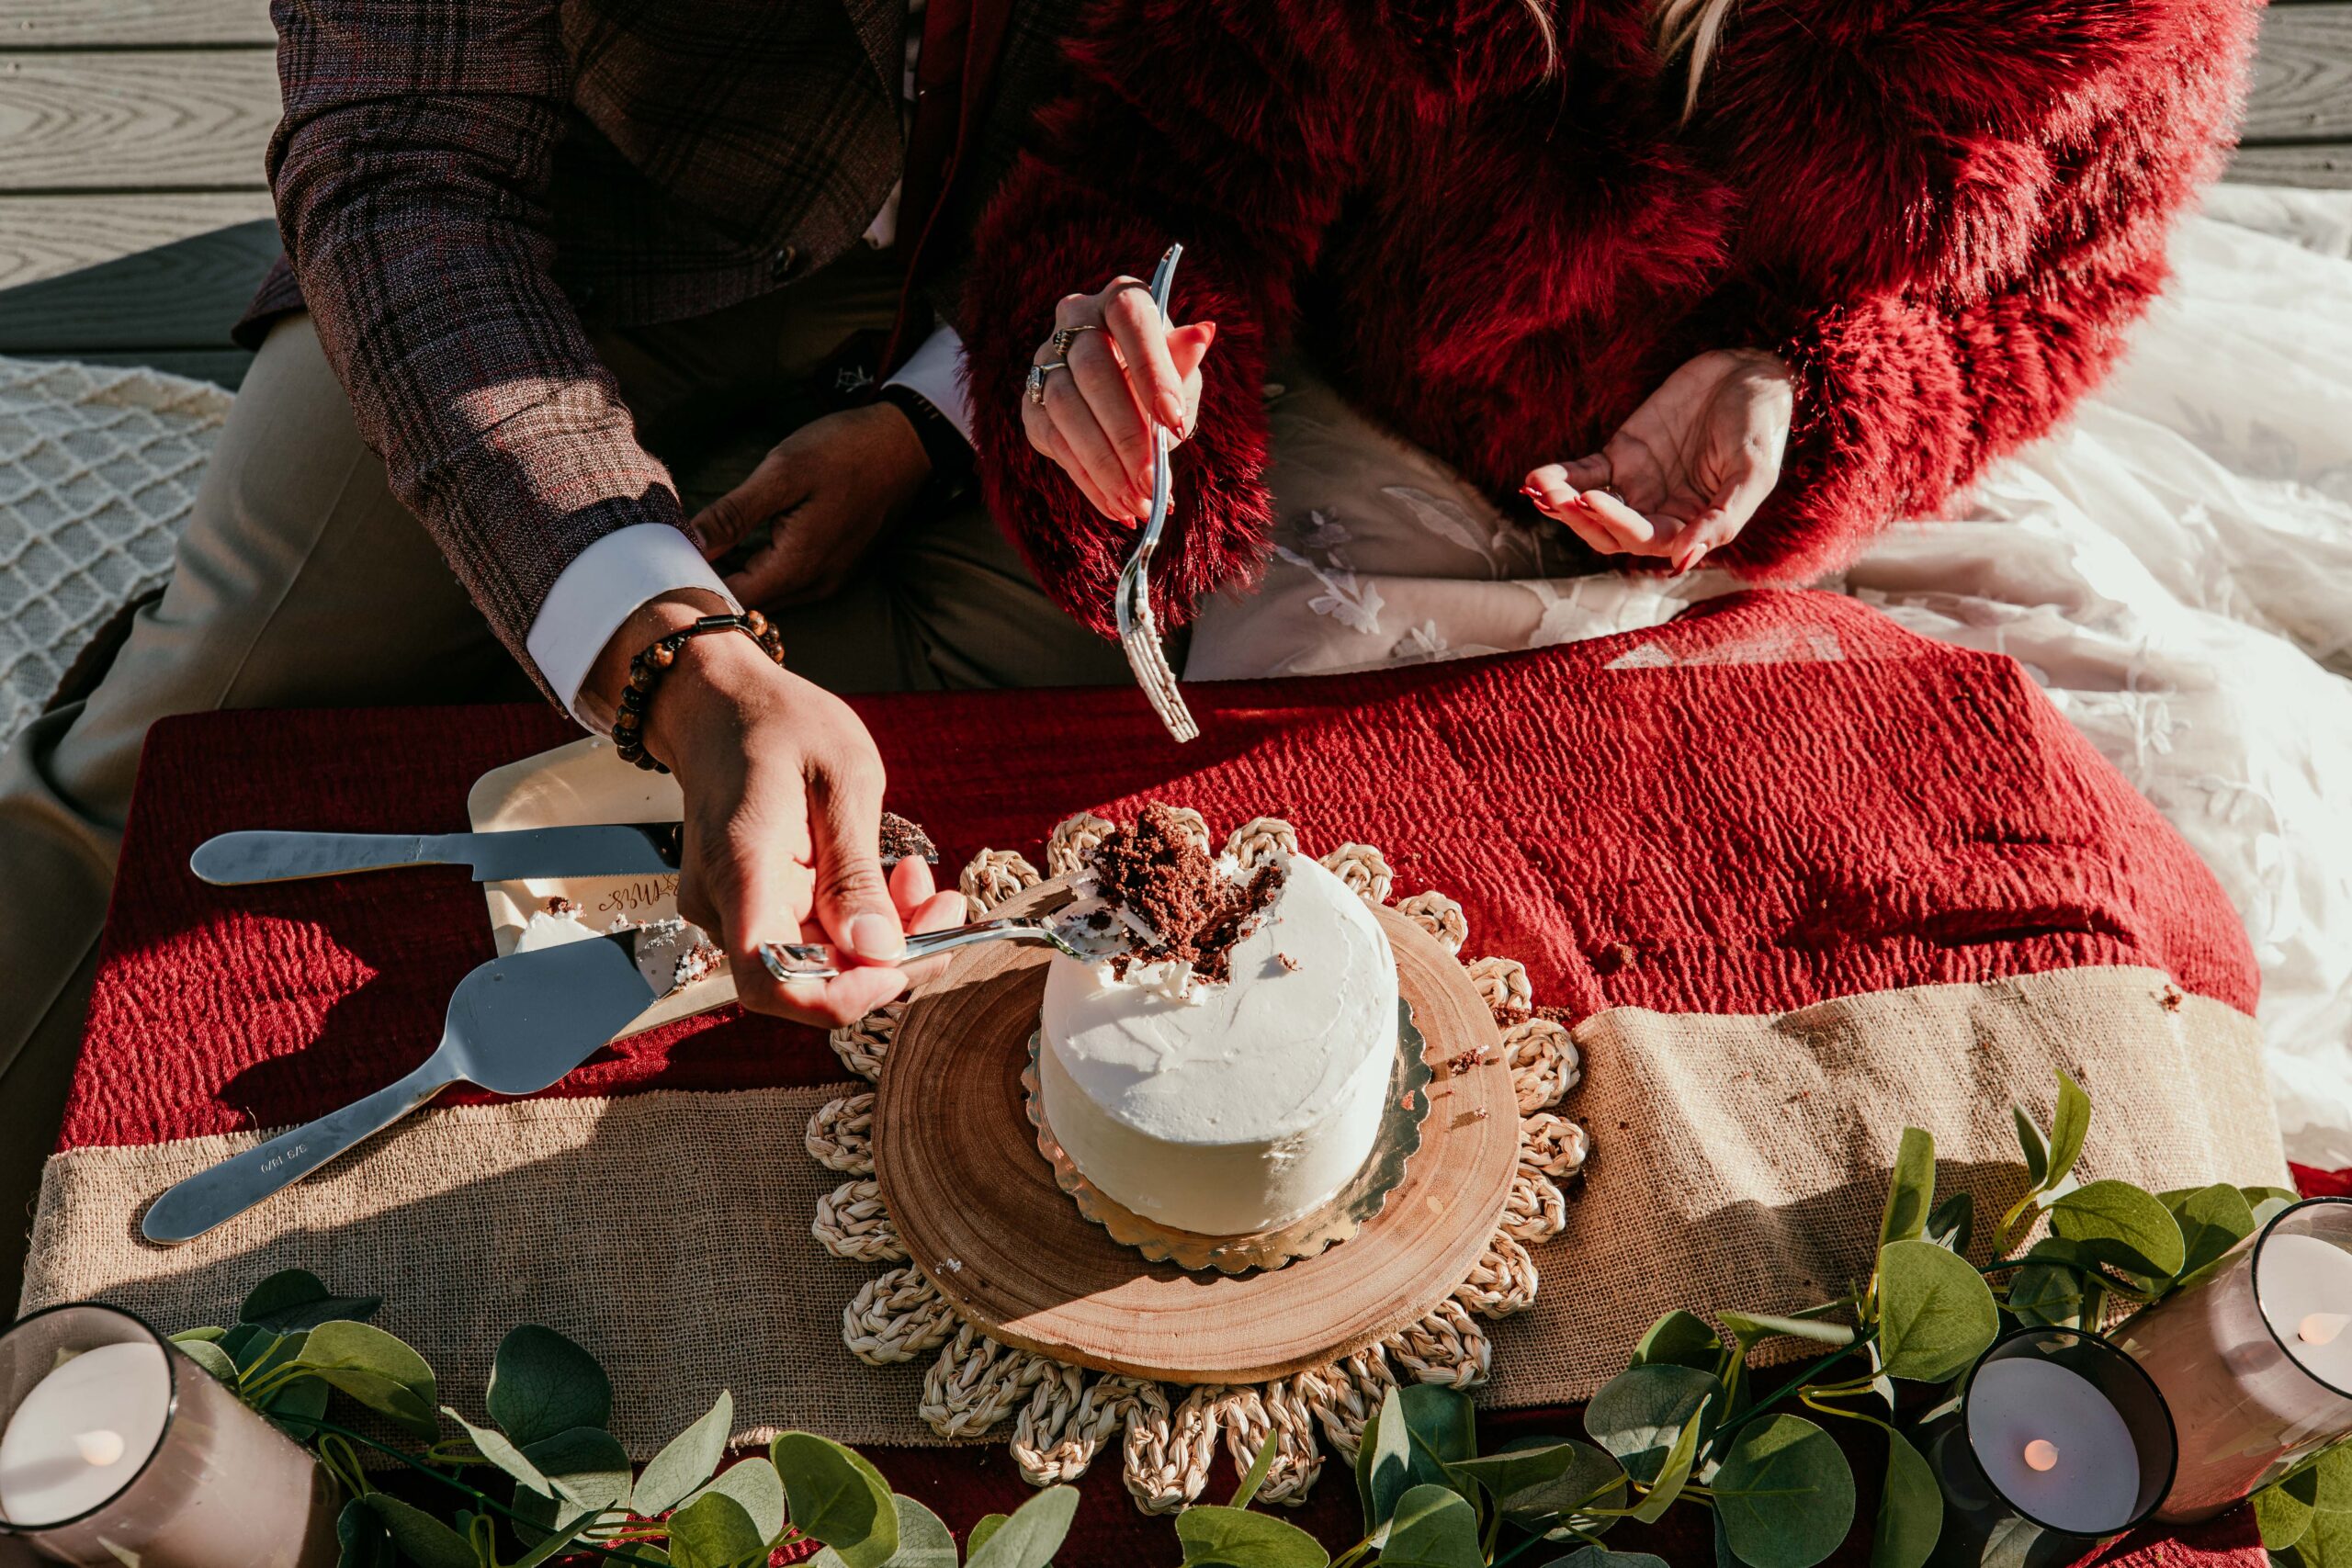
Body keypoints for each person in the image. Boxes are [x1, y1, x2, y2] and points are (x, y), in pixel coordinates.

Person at [0, 0, 1127, 1299]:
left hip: (1000, 299)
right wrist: (662, 644)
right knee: (205, 718)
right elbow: (403, 173)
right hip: (545, 256)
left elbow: (1223, 120)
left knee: (1040, 762)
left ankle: (518, 634)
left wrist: (936, 418)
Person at [957, 0, 2258, 674]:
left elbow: (2060, 307)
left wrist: (1814, 409)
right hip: (1379, 456)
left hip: (1823, 544)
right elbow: (1153, 173)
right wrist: (1098, 359)